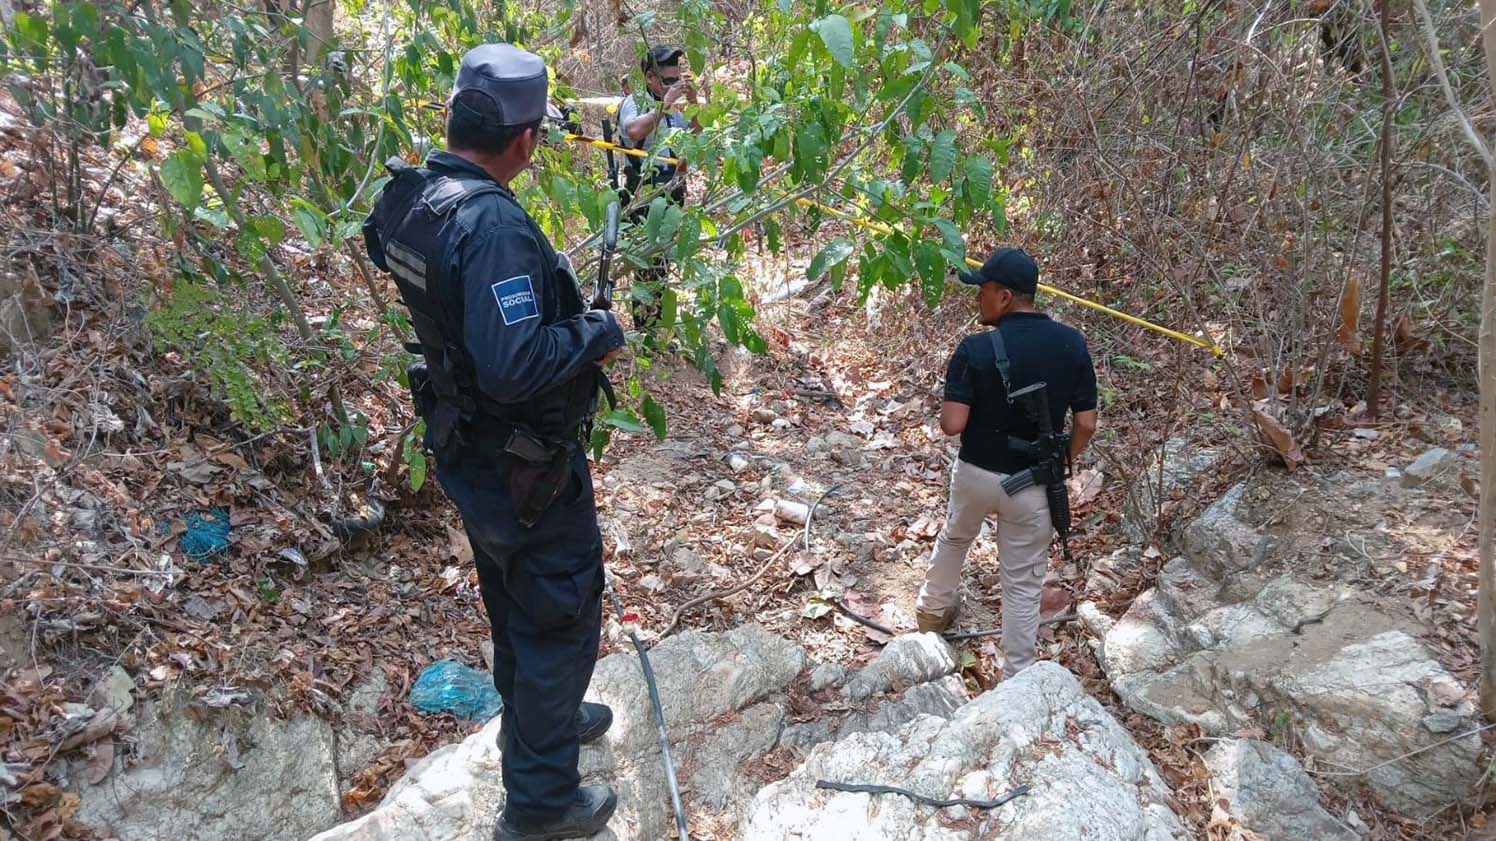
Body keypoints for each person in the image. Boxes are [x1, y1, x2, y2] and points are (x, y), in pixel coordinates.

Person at [362, 44, 625, 841]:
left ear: (453, 117)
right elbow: (515, 365)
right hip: (521, 462)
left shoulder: (412, 196)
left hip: (468, 446)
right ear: (524, 140)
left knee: (515, 598)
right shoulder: (492, 226)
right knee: (558, 611)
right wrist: (598, 332)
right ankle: (540, 805)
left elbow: (383, 246)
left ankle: (543, 721)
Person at [914, 247, 1099, 678]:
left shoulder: (975, 348)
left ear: (1004, 297)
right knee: (1021, 584)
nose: (977, 298)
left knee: (955, 538)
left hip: (975, 474)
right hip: (1033, 484)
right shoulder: (1072, 344)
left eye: (983, 290)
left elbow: (952, 424)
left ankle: (931, 614)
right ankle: (1017, 677)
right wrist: (1062, 460)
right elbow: (1087, 423)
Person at [616, 44, 701, 330]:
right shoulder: (636, 101)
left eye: (677, 80)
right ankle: (645, 330)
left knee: (662, 263)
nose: (673, 86)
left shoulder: (676, 105)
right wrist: (665, 102)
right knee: (647, 263)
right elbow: (633, 130)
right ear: (650, 78)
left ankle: (658, 328)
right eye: (667, 81)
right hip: (645, 192)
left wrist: (693, 101)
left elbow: (697, 134)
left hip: (673, 192)